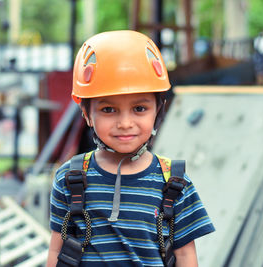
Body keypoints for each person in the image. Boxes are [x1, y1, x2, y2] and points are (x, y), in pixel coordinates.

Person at [47, 30, 215, 267]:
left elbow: (186, 256)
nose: (125, 123)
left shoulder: (175, 183)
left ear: (159, 109)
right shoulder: (69, 178)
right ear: (86, 113)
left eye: (139, 109)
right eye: (108, 109)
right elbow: (57, 249)